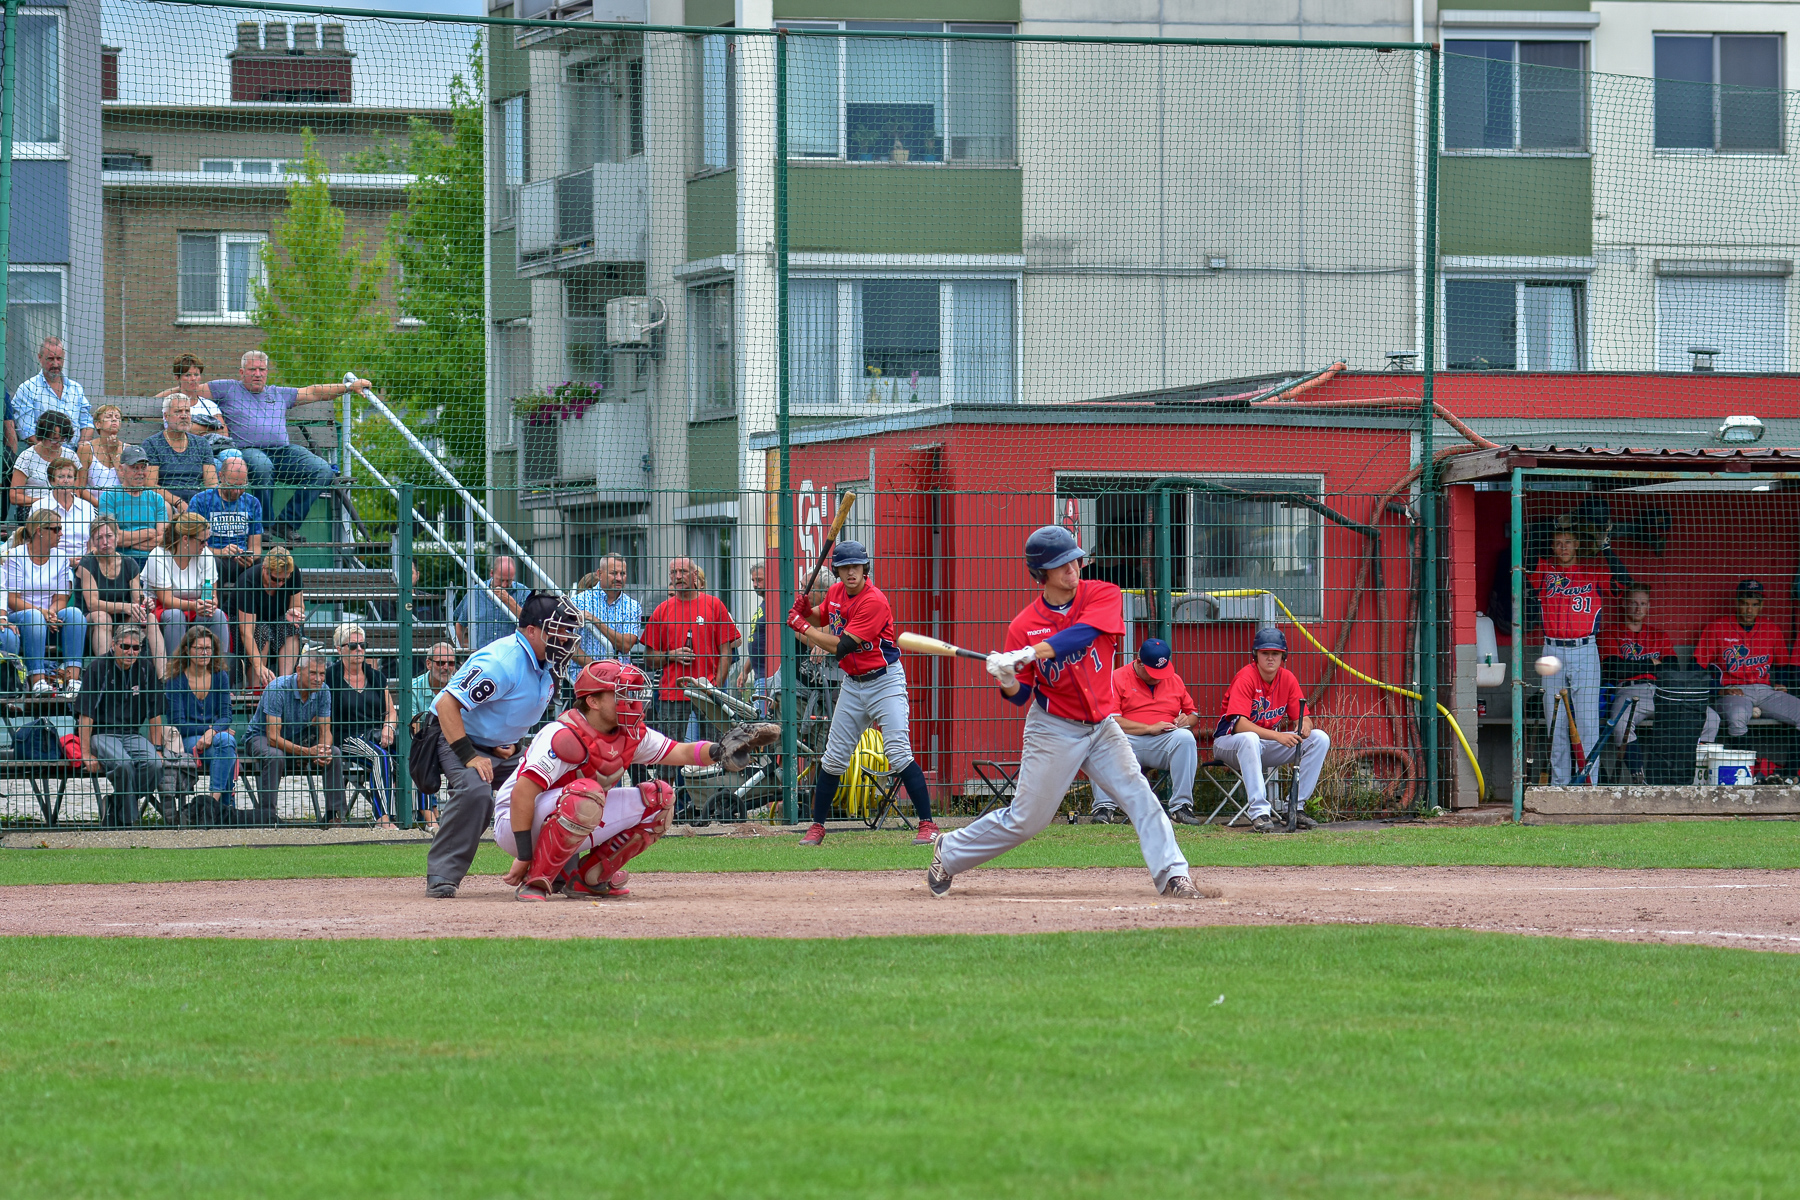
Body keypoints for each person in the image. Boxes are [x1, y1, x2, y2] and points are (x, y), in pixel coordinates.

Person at [925, 526, 1216, 900]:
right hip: (1054, 728)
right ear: (1040, 573)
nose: (1072, 567)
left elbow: (1082, 633)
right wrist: (1006, 677)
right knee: (1028, 819)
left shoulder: (1103, 594)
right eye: (1061, 563)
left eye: (1074, 559)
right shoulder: (1022, 627)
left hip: (1102, 727)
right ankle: (948, 851)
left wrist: (1033, 653)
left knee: (1139, 795)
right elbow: (1020, 697)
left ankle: (1174, 875)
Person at [497, 659, 776, 901]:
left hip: (569, 812)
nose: (631, 701)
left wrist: (719, 750)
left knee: (661, 798)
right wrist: (523, 854)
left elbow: (678, 751)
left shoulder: (629, 732)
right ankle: (536, 880)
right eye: (620, 695)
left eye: (631, 693)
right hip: (515, 822)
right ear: (592, 701)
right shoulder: (562, 734)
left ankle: (590, 878)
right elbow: (522, 794)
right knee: (587, 793)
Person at [425, 591, 582, 898]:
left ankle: (563, 873)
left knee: (559, 784)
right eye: (558, 629)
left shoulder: (544, 664)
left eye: (568, 631)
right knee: (475, 791)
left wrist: (511, 741)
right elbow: (446, 705)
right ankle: (442, 875)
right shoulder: (502, 660)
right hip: (454, 737)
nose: (565, 638)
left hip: (501, 746)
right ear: (532, 631)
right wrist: (470, 756)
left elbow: (509, 711)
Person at [787, 540, 938, 846]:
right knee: (833, 759)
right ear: (838, 571)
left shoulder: (875, 601)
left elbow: (841, 646)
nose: (852, 572)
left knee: (897, 752)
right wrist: (806, 612)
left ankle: (928, 824)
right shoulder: (836, 592)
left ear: (865, 568)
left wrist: (802, 627)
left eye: (857, 566)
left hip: (885, 681)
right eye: (845, 567)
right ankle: (817, 827)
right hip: (853, 684)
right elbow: (823, 617)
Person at [194, 351, 366, 540]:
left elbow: (314, 391)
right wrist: (160, 401)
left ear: (267, 372)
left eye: (262, 369)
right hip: (248, 451)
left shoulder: (279, 393)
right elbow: (190, 389)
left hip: (283, 452)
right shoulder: (227, 388)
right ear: (242, 372)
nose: (257, 374)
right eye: (252, 369)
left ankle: (286, 524)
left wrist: (349, 387)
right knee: (262, 465)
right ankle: (264, 526)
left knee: (323, 470)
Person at [1529, 516, 1632, 786]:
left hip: (1585, 649)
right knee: (1556, 724)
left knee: (1587, 722)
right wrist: (1553, 523)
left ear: (1577, 545)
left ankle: (1588, 784)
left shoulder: (1593, 572)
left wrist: (1605, 547)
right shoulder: (1544, 571)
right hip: (1552, 649)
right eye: (1558, 543)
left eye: (1568, 542)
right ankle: (1559, 785)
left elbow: (1625, 582)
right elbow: (1527, 555)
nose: (1563, 548)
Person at [1211, 627, 1332, 834]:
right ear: (1255, 655)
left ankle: (1294, 807)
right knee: (1249, 738)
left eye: (1275, 653)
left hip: (1264, 744)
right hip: (1230, 743)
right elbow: (1239, 725)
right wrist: (1278, 736)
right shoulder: (1246, 677)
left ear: (1283, 656)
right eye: (1264, 653)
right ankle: (1259, 812)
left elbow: (1305, 719)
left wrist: (1304, 726)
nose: (1270, 658)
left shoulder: (1287, 679)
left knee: (1319, 738)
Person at [1090, 638, 1204, 826]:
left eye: (1162, 671)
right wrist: (1148, 728)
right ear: (1138, 662)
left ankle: (1181, 807)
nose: (1158, 676)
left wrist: (1187, 720)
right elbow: (1110, 720)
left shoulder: (1174, 679)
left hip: (1162, 741)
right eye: (1153, 672)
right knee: (1101, 740)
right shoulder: (1117, 677)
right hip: (1126, 741)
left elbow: (1193, 714)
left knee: (1185, 738)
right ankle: (1104, 808)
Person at [641, 556, 739, 744]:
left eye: (683, 572)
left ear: (694, 575)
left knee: (712, 754)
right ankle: (669, 776)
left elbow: (726, 651)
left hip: (707, 692)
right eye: (673, 572)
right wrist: (670, 655)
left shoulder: (714, 605)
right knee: (668, 757)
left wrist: (715, 687)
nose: (678, 576)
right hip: (672, 693)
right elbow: (649, 657)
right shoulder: (661, 611)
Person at [77, 622, 164, 828]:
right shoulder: (98, 668)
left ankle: (116, 803)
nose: (130, 652)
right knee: (124, 764)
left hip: (132, 734)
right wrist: (86, 753)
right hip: (102, 733)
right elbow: (86, 714)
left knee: (156, 764)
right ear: (114, 645)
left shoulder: (146, 668)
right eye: (125, 646)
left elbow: (155, 713)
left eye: (135, 648)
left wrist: (158, 748)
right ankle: (129, 821)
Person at [1697, 579, 1800, 744]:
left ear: (1761, 605)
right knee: (1737, 717)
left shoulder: (1771, 629)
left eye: (1754, 604)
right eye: (1744, 603)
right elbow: (1695, 668)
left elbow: (1783, 664)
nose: (1749, 610)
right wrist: (1718, 690)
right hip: (1733, 691)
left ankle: (1790, 771)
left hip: (1766, 692)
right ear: (1737, 602)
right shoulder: (1717, 628)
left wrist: (1781, 682)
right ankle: (1745, 767)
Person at [247, 650, 343, 825]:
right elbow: (273, 738)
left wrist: (323, 750)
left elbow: (325, 731)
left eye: (322, 674)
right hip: (261, 737)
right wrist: (308, 752)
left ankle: (334, 816)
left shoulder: (324, 691)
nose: (319, 679)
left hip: (298, 737)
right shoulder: (278, 688)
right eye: (313, 673)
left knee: (334, 753)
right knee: (275, 755)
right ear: (299, 670)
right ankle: (267, 817)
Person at [3, 508, 86, 695]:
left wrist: (52, 613)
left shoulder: (61, 557)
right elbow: (13, 600)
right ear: (40, 531)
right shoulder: (17, 555)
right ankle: (37, 681)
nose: (61, 533)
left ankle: (73, 680)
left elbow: (62, 598)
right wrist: (42, 613)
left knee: (75, 614)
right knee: (34, 616)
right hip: (22, 619)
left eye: (61, 528)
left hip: (51, 619)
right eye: (56, 529)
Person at [1599, 582, 1674, 784]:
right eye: (1633, 602)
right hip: (1628, 690)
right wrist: (1651, 663)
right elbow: (1614, 669)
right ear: (1623, 603)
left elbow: (1671, 668)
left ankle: (1688, 779)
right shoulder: (1610, 633)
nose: (1638, 608)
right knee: (1620, 723)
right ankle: (1639, 779)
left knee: (1710, 718)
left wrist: (1633, 665)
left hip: (1661, 690)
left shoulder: (1659, 635)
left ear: (1649, 606)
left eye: (1643, 603)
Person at [327, 621, 399, 829]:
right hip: (347, 736)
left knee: (411, 751)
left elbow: (391, 712)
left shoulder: (376, 677)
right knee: (380, 757)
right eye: (352, 646)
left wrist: (389, 728)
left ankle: (423, 814)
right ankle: (383, 819)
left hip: (376, 735)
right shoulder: (331, 678)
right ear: (339, 650)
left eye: (362, 645)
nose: (359, 650)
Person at [163, 625, 237, 823]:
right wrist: (211, 731)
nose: (205, 653)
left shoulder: (220, 675)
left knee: (226, 745)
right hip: (188, 740)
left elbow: (226, 714)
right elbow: (177, 723)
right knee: (226, 744)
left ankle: (212, 804)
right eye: (200, 648)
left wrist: (212, 732)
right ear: (187, 649)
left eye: (208, 648)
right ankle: (224, 808)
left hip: (214, 740)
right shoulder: (176, 679)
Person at [143, 511, 228, 673]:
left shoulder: (206, 555)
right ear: (185, 539)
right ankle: (176, 673)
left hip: (196, 606)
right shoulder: (158, 555)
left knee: (218, 615)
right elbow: (166, 599)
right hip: (161, 609)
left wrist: (211, 603)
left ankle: (219, 673)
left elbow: (213, 594)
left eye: (207, 540)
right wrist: (195, 605)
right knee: (175, 615)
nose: (206, 545)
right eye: (202, 541)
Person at [77, 515, 154, 660]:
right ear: (92, 541)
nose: (105, 542)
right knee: (102, 617)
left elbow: (138, 599)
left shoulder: (129, 563)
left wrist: (145, 603)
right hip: (92, 621)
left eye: (109, 536)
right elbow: (92, 604)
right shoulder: (86, 563)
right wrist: (124, 607)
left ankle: (162, 677)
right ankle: (106, 670)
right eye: (99, 538)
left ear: (117, 537)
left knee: (150, 618)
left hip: (122, 621)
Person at [186, 457, 263, 589]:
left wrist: (249, 556)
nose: (237, 491)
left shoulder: (252, 503)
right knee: (211, 563)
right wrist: (220, 552)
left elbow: (256, 547)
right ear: (221, 477)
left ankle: (247, 609)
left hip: (241, 561)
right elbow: (189, 544)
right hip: (212, 557)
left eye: (242, 486)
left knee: (262, 565)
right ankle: (215, 607)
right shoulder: (201, 500)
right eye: (233, 486)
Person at [235, 545, 307, 687]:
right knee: (262, 631)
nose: (280, 584)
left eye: (284, 580)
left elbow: (299, 606)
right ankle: (256, 689)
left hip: (276, 620)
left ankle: (283, 684)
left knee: (291, 627)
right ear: (264, 569)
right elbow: (246, 632)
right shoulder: (248, 581)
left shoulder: (293, 573)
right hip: (243, 626)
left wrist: (294, 612)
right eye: (275, 579)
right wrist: (258, 666)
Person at [141, 393, 219, 510]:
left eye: (187, 411)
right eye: (178, 411)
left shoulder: (202, 444)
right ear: (166, 416)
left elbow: (211, 484)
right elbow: (150, 485)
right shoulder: (152, 444)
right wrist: (178, 502)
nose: (184, 416)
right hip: (165, 504)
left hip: (197, 504)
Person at [12, 335, 93, 449]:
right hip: (41, 456)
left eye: (59, 358)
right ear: (40, 357)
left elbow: (87, 424)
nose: (55, 364)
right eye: (50, 359)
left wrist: (81, 450)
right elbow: (27, 432)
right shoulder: (27, 389)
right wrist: (52, 453)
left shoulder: (76, 389)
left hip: (74, 456)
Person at [412, 642, 458, 831]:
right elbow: (413, 726)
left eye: (451, 663)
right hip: (427, 744)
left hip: (457, 743)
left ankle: (460, 817)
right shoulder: (414, 687)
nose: (446, 668)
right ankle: (430, 815)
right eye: (440, 663)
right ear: (429, 664)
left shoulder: (462, 685)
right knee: (422, 756)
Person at [570, 552, 641, 675]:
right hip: (583, 678)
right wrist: (596, 668)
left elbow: (626, 645)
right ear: (599, 574)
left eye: (622, 573)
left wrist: (594, 620)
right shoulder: (578, 601)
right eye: (614, 573)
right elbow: (566, 642)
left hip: (618, 682)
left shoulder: (632, 606)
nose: (619, 578)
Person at [98, 446, 170, 566]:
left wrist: (127, 540)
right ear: (121, 469)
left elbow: (164, 539)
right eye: (135, 468)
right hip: (120, 561)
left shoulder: (156, 499)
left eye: (143, 468)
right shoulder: (109, 497)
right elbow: (112, 538)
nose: (140, 473)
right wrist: (148, 533)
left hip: (152, 561)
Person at [9, 410, 76, 517]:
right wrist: (45, 501)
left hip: (65, 506)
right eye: (54, 439)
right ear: (43, 435)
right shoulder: (26, 457)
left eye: (62, 439)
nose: (58, 444)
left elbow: (77, 490)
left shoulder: (71, 455)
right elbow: (14, 496)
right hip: (35, 510)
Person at [453, 556, 528, 651]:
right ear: (492, 573)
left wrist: (509, 601)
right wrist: (462, 652)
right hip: (482, 655)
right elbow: (460, 624)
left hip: (510, 655)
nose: (504, 585)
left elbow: (529, 622)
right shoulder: (476, 592)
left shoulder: (523, 592)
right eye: (501, 580)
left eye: (509, 580)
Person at [30, 456, 95, 562]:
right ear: (52, 481)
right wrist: (65, 561)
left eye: (69, 477)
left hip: (84, 563)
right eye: (61, 477)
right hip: (50, 563)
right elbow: (35, 543)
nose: (66, 481)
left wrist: (86, 562)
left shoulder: (87, 507)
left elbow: (92, 542)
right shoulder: (39, 507)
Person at [732, 561, 773, 700]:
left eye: (759, 580)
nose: (755, 584)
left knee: (761, 720)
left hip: (768, 677)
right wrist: (745, 670)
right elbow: (759, 642)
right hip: (759, 676)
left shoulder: (774, 606)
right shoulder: (764, 605)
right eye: (753, 580)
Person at [81, 404, 125, 499]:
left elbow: (127, 483)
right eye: (109, 416)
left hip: (121, 505)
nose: (114, 419)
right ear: (98, 424)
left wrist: (114, 455)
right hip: (94, 506)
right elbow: (80, 487)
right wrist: (100, 505)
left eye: (117, 417)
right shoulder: (86, 448)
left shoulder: (127, 448)